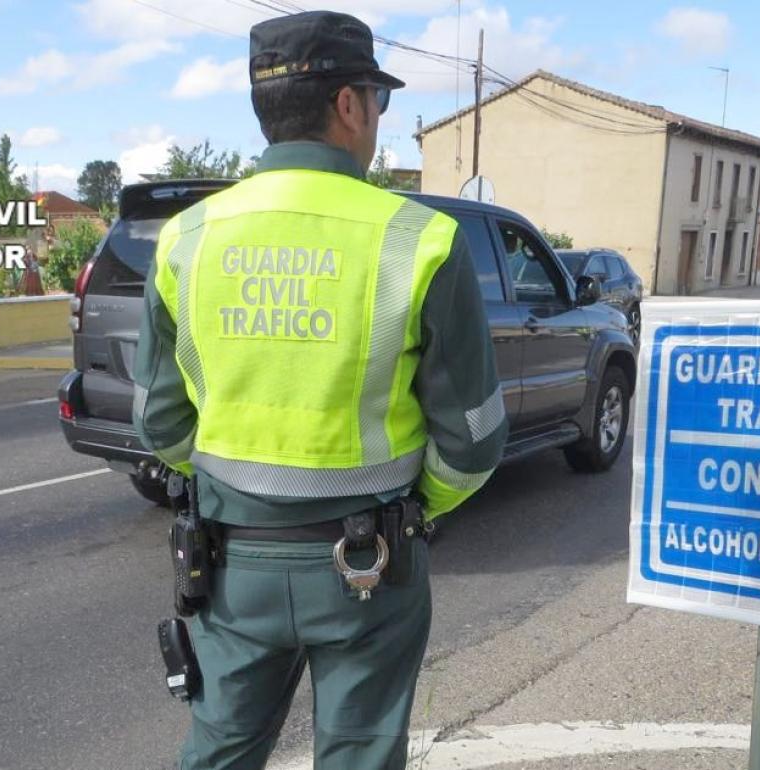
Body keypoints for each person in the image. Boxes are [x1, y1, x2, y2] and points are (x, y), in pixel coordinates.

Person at [132, 10, 506, 770]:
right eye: (379, 100)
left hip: (230, 565)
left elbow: (159, 420)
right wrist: (413, 507)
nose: (378, 119)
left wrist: (233, 484)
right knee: (360, 756)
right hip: (370, 564)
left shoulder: (189, 239)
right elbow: (471, 440)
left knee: (220, 750)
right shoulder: (419, 238)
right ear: (348, 105)